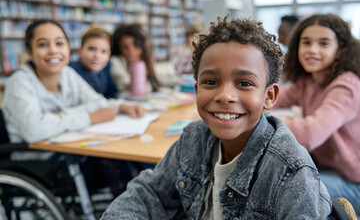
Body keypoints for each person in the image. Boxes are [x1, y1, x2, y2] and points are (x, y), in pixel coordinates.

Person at [101, 16, 331, 219]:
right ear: (196, 87)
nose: (225, 95)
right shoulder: (194, 138)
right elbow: (149, 193)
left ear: (269, 96)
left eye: (244, 83)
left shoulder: (291, 173)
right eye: (210, 82)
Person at [2, 19, 144, 196]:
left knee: (123, 156)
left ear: (69, 49)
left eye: (59, 43)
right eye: (43, 44)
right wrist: (89, 116)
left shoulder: (67, 74)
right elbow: (34, 129)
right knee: (113, 161)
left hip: (68, 151)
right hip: (38, 162)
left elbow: (98, 103)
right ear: (29, 53)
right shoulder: (19, 82)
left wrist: (121, 106)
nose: (53, 50)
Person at [273, 13, 360, 213]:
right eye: (306, 42)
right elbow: (271, 99)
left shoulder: (346, 85)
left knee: (285, 189)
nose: (312, 50)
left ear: (340, 50)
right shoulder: (308, 81)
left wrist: (256, 120)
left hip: (353, 181)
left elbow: (310, 134)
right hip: (327, 168)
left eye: (324, 43)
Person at [69, 26, 119, 99]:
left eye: (103, 51)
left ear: (108, 55)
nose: (97, 56)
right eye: (92, 49)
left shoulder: (107, 67)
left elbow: (112, 93)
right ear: (80, 51)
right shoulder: (71, 70)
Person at [110, 23, 160, 93]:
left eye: (135, 45)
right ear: (118, 48)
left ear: (142, 46)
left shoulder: (144, 61)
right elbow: (125, 83)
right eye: (125, 47)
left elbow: (153, 83)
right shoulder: (115, 62)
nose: (131, 51)